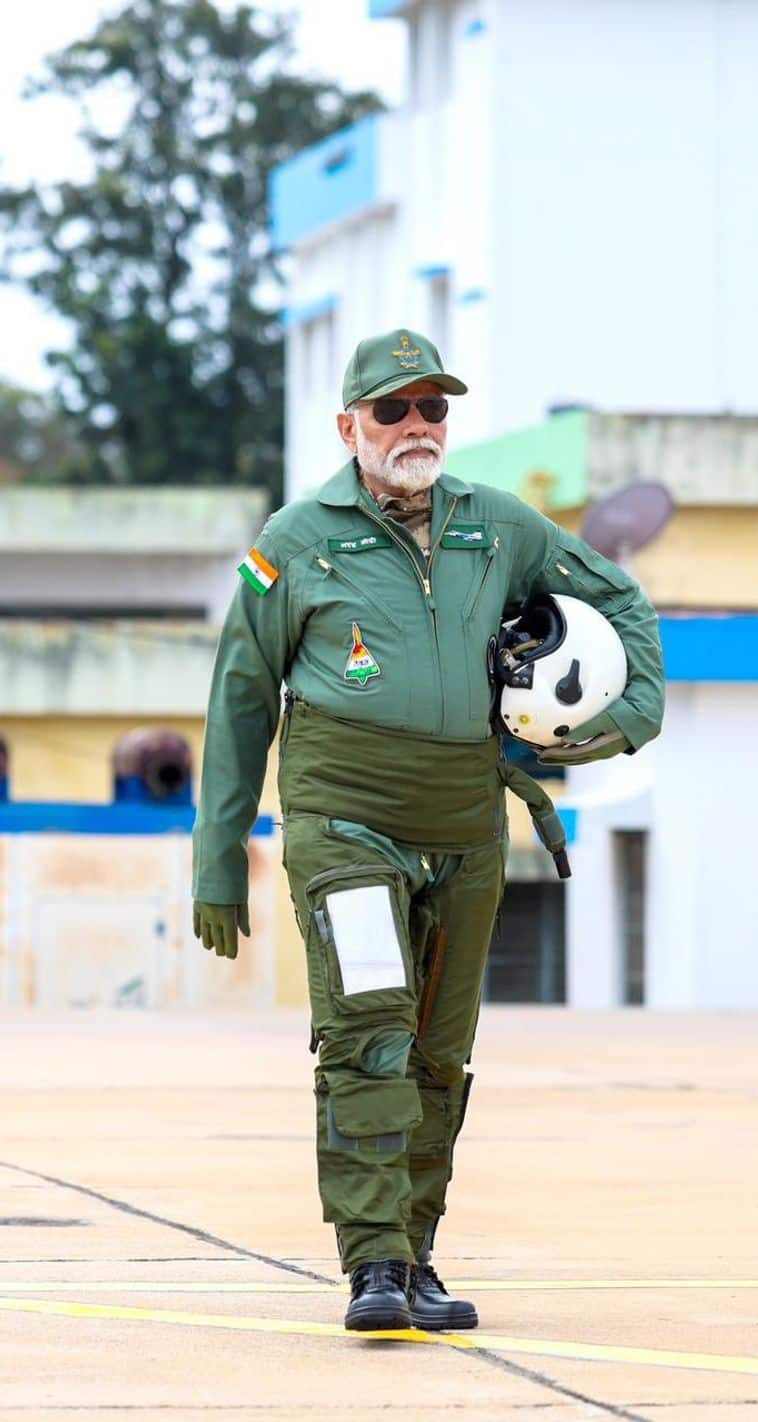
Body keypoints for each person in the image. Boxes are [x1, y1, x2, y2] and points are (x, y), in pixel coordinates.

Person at [192, 328, 665, 1332]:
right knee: (370, 1031)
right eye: (392, 409)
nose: (415, 427)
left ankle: (415, 1257)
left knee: (437, 1055)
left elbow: (616, 596)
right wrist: (217, 850)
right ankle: (372, 1264)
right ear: (347, 426)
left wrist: (631, 714)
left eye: (432, 408)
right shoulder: (289, 541)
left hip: (463, 821)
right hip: (343, 816)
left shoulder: (496, 528)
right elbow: (240, 694)